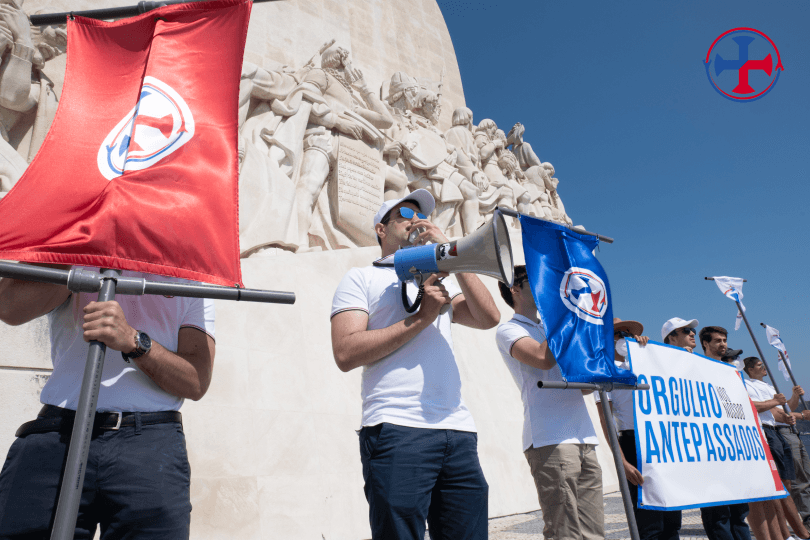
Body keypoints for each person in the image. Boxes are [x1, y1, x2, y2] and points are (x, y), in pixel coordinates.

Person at [330, 189, 500, 540]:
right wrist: (421, 319)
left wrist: (452, 253)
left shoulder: (436, 278)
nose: (416, 221)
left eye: (421, 215)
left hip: (457, 430)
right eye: (404, 215)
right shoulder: (360, 279)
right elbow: (345, 352)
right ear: (381, 229)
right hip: (396, 428)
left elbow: (488, 317)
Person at [0, 266, 215, 538]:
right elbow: (7, 307)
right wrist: (79, 256)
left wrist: (133, 341)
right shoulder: (72, 252)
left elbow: (196, 381)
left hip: (149, 445)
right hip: (61, 432)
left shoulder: (189, 278)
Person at [495, 265, 604, 540]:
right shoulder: (509, 329)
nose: (543, 283)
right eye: (533, 279)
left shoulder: (551, 328)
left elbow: (582, 389)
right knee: (564, 532)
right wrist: (563, 312)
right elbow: (542, 358)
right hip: (550, 440)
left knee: (594, 534)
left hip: (583, 436)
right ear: (515, 289)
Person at [596, 318, 682, 540]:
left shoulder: (648, 364)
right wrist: (622, 462)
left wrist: (649, 352)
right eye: (617, 333)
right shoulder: (604, 370)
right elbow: (606, 420)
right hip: (633, 443)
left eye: (627, 333)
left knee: (672, 517)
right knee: (649, 522)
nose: (624, 337)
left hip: (662, 441)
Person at [696, 325, 755, 540]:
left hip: (734, 448)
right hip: (709, 448)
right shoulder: (695, 367)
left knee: (739, 512)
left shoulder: (733, 373)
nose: (723, 344)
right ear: (705, 343)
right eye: (718, 340)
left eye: (724, 340)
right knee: (718, 514)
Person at [744, 357, 810, 540]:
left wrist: (793, 400)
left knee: (786, 484)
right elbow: (756, 407)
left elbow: (783, 411)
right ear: (749, 369)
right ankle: (787, 534)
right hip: (766, 433)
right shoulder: (749, 385)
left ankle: (796, 533)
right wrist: (776, 403)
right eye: (759, 365)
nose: (764, 367)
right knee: (776, 485)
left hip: (777, 433)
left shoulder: (769, 388)